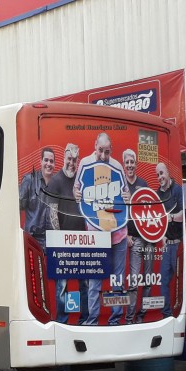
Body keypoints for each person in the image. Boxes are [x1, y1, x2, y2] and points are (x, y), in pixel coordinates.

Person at [73, 133, 130, 325]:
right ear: (94, 145)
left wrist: (127, 196)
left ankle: (115, 320)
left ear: (111, 150)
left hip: (119, 233)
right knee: (94, 281)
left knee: (117, 280)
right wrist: (76, 193)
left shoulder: (117, 166)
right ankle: (93, 320)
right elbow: (77, 190)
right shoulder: (85, 164)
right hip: (96, 234)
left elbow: (125, 196)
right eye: (100, 151)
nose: (104, 156)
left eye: (107, 152)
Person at [48, 143, 88, 324]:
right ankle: (62, 320)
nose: (72, 163)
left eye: (75, 160)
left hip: (83, 241)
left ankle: (85, 319)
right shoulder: (55, 181)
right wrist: (61, 241)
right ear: (64, 158)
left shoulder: (81, 181)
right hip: (63, 242)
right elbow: (52, 214)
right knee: (62, 285)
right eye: (69, 159)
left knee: (85, 282)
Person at [122, 149, 153, 323]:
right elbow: (118, 213)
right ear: (124, 165)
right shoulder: (121, 185)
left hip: (148, 239)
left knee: (147, 281)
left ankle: (141, 317)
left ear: (136, 164)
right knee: (133, 283)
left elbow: (150, 210)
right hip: (133, 239)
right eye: (127, 162)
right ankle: (129, 319)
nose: (130, 165)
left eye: (132, 162)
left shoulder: (144, 183)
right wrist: (126, 234)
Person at [156, 162, 183, 318]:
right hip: (166, 245)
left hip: (178, 243)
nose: (160, 177)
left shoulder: (177, 190)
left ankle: (179, 312)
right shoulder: (157, 195)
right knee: (163, 280)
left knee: (179, 281)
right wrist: (162, 235)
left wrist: (170, 217)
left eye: (162, 173)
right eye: (158, 175)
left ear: (167, 172)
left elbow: (182, 215)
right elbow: (156, 220)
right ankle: (166, 314)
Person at [19, 147, 54, 249]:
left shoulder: (57, 183)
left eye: (51, 161)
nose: (48, 164)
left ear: (54, 164)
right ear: (41, 161)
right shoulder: (29, 180)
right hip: (33, 240)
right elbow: (17, 207)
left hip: (52, 241)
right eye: (46, 160)